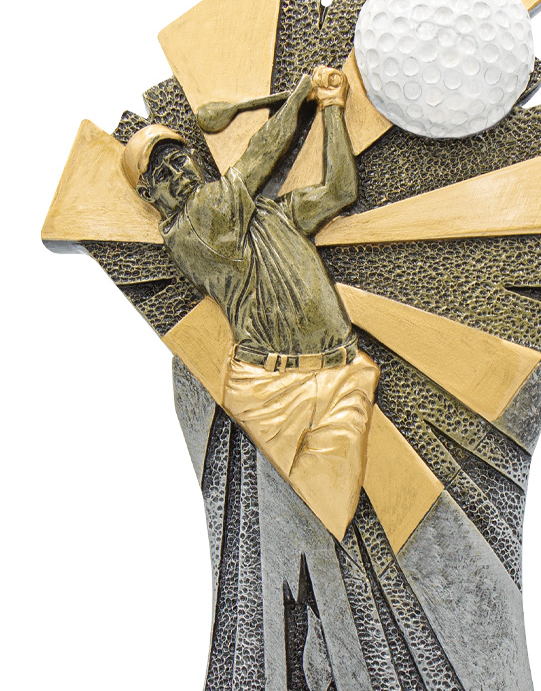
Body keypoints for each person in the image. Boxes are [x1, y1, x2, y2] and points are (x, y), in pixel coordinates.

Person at [122, 66, 379, 539]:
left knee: (333, 525)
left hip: (342, 376)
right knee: (296, 531)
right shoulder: (191, 226)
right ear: (148, 195)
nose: (178, 175)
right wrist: (301, 94)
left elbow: (341, 191)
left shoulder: (269, 214)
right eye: (161, 175)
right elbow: (259, 156)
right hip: (271, 390)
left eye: (179, 160)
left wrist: (333, 108)